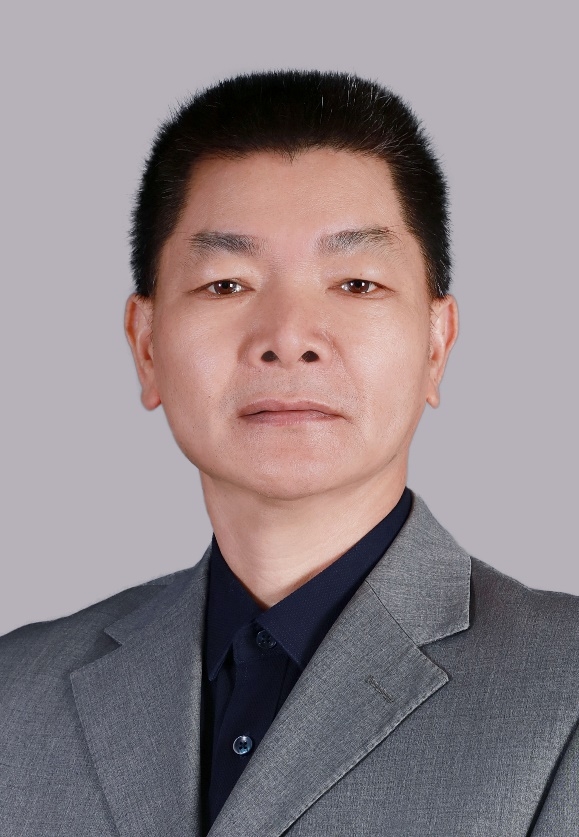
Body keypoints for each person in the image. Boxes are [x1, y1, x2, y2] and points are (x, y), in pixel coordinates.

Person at [1, 69, 577, 837]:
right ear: (146, 345)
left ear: (436, 343)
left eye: (356, 283)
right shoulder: (17, 693)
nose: (288, 337)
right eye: (225, 284)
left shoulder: (563, 693)